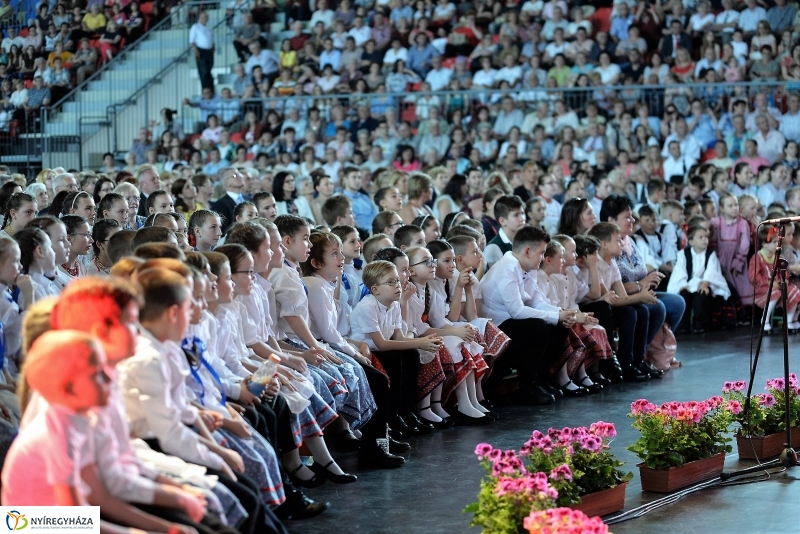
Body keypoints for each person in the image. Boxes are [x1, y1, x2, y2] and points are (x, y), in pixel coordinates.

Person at [479, 225, 576, 405]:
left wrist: (560, 313)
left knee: (560, 325)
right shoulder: (507, 269)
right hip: (494, 327)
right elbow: (517, 311)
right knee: (537, 327)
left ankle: (540, 380)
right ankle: (527, 386)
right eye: (541, 252)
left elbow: (536, 300)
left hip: (510, 323)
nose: (542, 257)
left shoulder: (528, 267)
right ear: (527, 251)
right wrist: (555, 316)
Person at [667, 226, 731, 333]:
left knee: (701, 296)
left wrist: (705, 284)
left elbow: (711, 271)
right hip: (687, 284)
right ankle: (682, 324)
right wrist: (683, 285)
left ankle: (700, 324)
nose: (705, 240)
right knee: (683, 296)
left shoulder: (710, 254)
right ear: (691, 242)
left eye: (706, 237)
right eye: (700, 237)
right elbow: (680, 271)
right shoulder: (683, 254)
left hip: (702, 283)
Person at [750, 224, 800, 331]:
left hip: (777, 285)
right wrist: (769, 283)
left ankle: (790, 320)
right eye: (774, 242)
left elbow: (785, 271)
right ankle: (765, 320)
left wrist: (783, 281)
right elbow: (754, 276)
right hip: (762, 288)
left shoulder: (778, 257)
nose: (778, 244)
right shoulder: (757, 258)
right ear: (764, 243)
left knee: (795, 290)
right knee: (775, 293)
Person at [710, 192, 753, 311]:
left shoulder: (742, 223)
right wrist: (716, 261)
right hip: (720, 260)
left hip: (736, 259)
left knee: (739, 285)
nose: (735, 208)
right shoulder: (715, 222)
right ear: (722, 208)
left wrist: (737, 262)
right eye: (730, 206)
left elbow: (745, 244)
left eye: (736, 205)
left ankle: (742, 312)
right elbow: (713, 242)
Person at [484, 195, 526, 268]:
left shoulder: (527, 241)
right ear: (502, 221)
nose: (522, 219)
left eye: (522, 213)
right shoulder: (494, 249)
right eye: (516, 215)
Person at [190, 11, 215, 90]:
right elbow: (192, 41)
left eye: (206, 17)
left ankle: (211, 88)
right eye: (203, 17)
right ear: (199, 18)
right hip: (200, 51)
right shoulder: (195, 27)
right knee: (203, 70)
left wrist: (213, 47)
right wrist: (195, 50)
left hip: (209, 51)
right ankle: (205, 89)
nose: (205, 18)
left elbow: (211, 39)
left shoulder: (209, 27)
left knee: (209, 70)